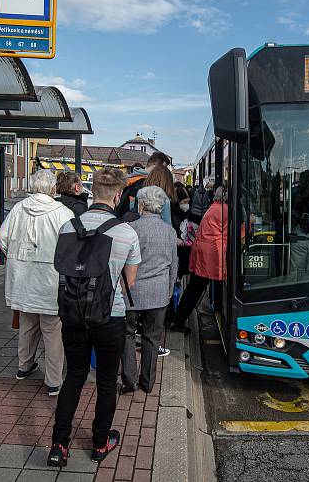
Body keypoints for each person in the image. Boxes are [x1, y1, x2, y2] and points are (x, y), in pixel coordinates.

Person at [49, 168, 141, 467]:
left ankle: (59, 445)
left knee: (73, 377)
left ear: (92, 191)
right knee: (105, 382)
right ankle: (100, 443)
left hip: (73, 313)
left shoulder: (67, 226)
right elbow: (131, 282)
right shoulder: (126, 232)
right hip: (109, 317)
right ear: (117, 195)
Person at [0, 170, 73, 396]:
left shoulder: (19, 208)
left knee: (27, 323)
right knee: (52, 330)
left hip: (22, 278)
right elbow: (71, 246)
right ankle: (53, 381)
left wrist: (14, 258)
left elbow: (2, 237)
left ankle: (24, 366)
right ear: (53, 189)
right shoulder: (63, 212)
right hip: (50, 280)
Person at [121, 186, 179, 394]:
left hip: (131, 292)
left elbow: (122, 262)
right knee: (152, 337)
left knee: (127, 334)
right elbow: (174, 266)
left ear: (141, 204)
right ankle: (148, 382)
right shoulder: (170, 232)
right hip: (158, 293)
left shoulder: (130, 228)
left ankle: (129, 380)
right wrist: (168, 291)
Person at [169, 185, 228, 333]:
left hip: (204, 253)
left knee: (194, 288)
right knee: (195, 289)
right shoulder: (224, 210)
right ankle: (177, 322)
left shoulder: (214, 207)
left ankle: (178, 320)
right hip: (212, 255)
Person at [116, 151, 170, 217]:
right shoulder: (148, 185)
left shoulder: (129, 179)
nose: (164, 172)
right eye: (163, 168)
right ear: (155, 165)